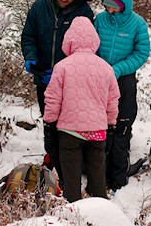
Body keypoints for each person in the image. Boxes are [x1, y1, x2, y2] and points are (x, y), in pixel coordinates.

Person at [21, 0, 94, 182]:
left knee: (67, 122)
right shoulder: (39, 7)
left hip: (70, 81)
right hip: (43, 77)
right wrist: (30, 58)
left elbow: (87, 47)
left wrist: (64, 70)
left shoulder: (84, 13)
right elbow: (28, 36)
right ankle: (52, 155)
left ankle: (68, 163)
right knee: (49, 119)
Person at [43, 16, 120, 202]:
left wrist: (49, 123)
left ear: (69, 40)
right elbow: (113, 101)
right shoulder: (106, 68)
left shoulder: (62, 67)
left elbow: (53, 99)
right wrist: (111, 125)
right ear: (94, 40)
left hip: (69, 132)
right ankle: (100, 209)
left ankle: (73, 212)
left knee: (71, 179)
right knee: (98, 177)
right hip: (97, 132)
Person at [94, 0, 150, 192]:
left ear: (125, 3)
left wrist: (117, 69)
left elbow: (141, 53)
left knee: (121, 127)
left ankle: (118, 178)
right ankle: (98, 172)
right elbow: (92, 44)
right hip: (99, 80)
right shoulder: (100, 20)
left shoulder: (137, 24)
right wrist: (97, 65)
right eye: (106, 3)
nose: (109, 8)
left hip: (124, 81)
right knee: (100, 127)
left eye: (113, 4)